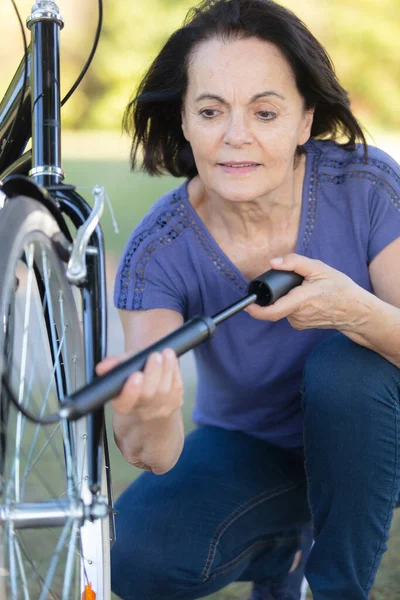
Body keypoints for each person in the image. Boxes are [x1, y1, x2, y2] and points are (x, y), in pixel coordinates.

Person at [97, 0, 400, 598]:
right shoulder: (158, 251)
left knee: (345, 366)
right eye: (211, 111)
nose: (237, 136)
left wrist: (354, 312)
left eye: (265, 112)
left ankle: (335, 588)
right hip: (257, 450)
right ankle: (283, 551)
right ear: (184, 121)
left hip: (381, 433)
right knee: (132, 553)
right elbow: (147, 452)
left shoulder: (365, 186)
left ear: (304, 120)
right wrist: (152, 414)